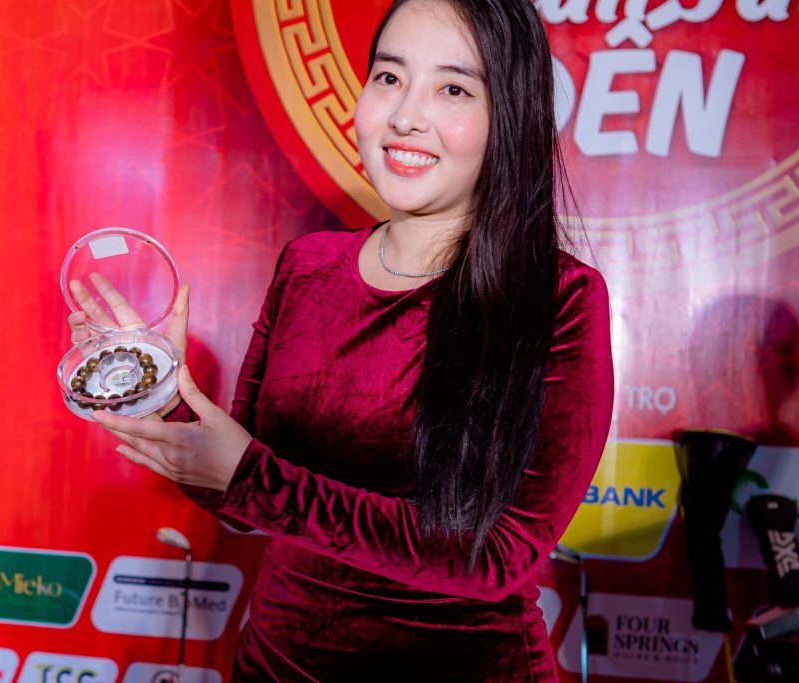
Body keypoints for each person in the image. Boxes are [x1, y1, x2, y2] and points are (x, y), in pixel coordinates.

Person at [69, 0, 614, 679]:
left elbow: (498, 555)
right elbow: (246, 498)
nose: (405, 115)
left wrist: (251, 479)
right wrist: (160, 392)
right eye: (389, 77)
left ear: (511, 116)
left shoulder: (559, 298)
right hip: (274, 664)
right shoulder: (307, 266)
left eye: (452, 89)